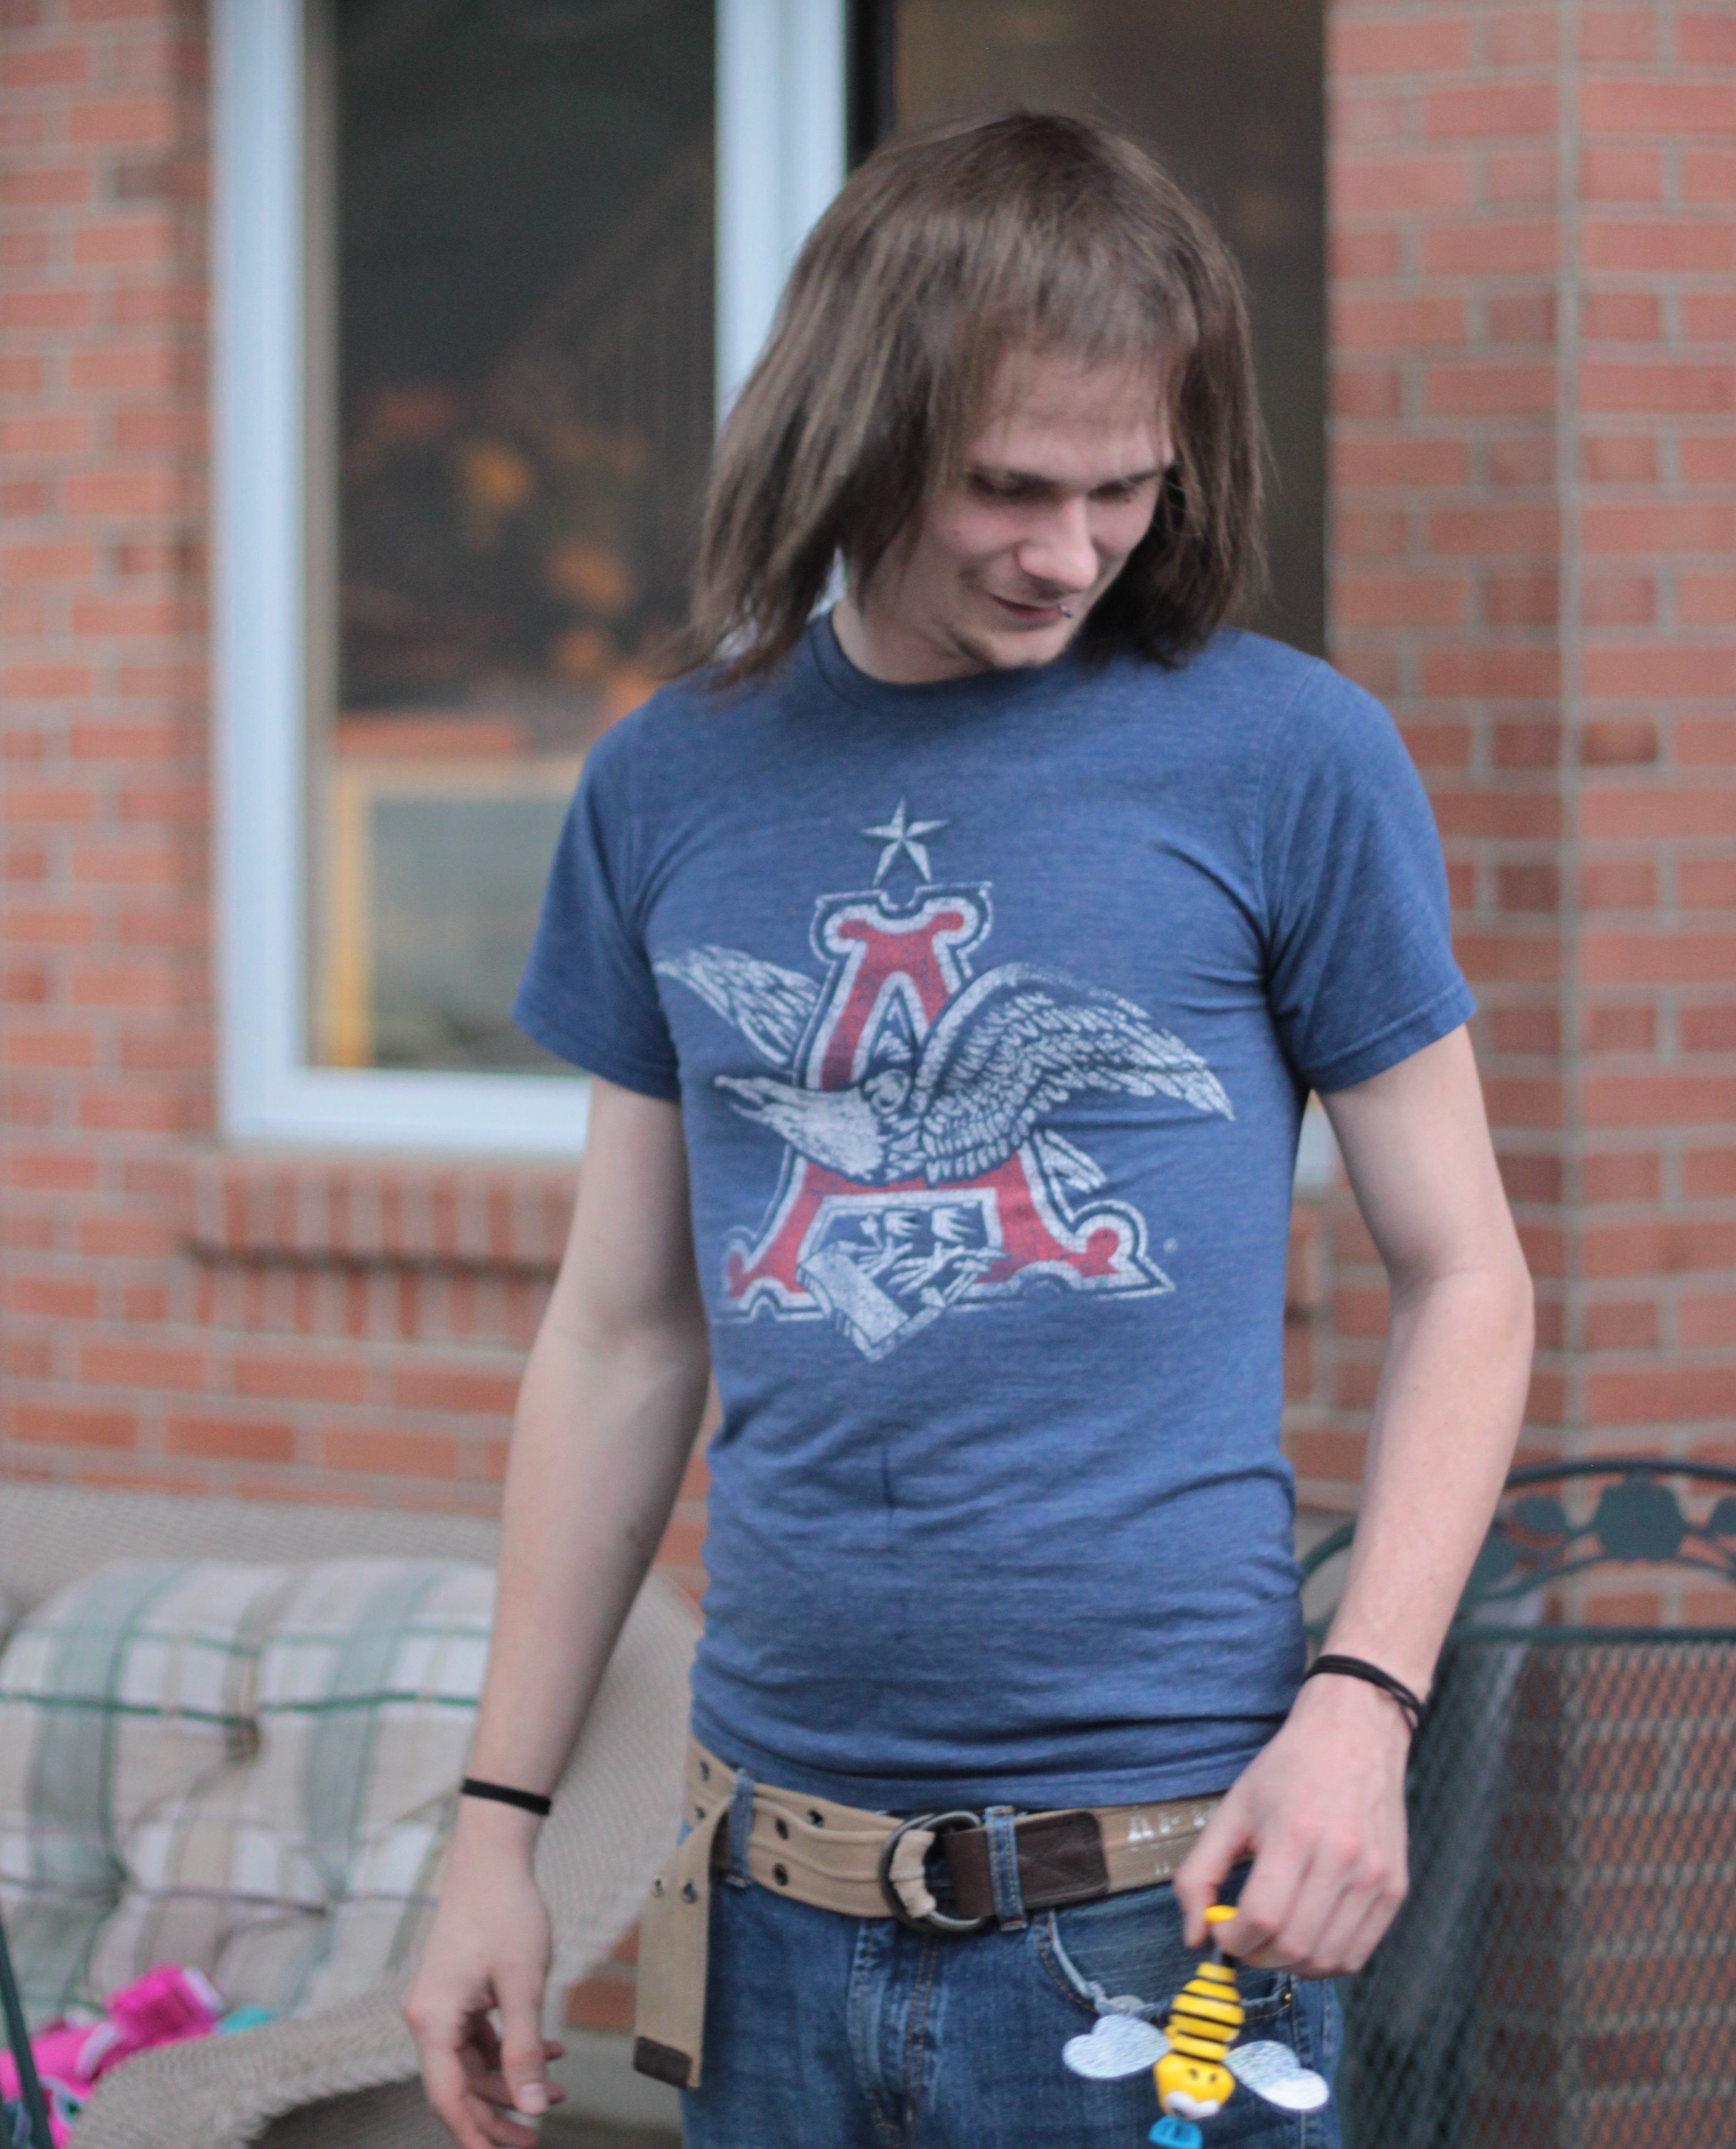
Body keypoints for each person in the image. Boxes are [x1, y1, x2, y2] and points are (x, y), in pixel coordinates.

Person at [405, 113, 1535, 2149]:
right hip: (766, 1902)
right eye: (1009, 487)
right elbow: (621, 1332)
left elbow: (1468, 1275)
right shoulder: (668, 783)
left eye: (1127, 488)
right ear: (853, 439)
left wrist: (1366, 1707)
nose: (1071, 554)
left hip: (1162, 1900)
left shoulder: (1289, 757)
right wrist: (497, 1828)